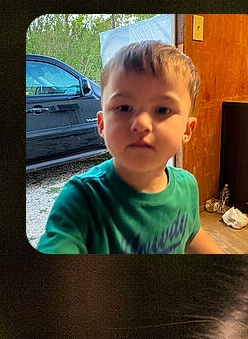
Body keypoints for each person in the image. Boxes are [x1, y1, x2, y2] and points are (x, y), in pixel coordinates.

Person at [36, 40, 224, 254]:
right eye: (124, 107)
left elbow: (190, 235)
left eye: (162, 110)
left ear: (187, 130)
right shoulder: (82, 199)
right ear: (102, 124)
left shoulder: (188, 187)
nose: (141, 124)